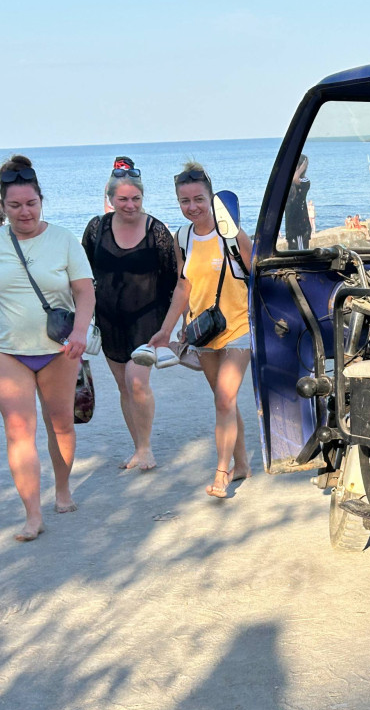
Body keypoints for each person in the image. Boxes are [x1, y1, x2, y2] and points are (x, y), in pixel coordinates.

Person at [0, 155, 95, 541]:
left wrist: (81, 332)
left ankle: (63, 488)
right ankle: (33, 515)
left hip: (60, 349)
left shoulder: (64, 239)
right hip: (8, 352)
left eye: (31, 203)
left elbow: (84, 292)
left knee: (61, 424)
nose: (24, 212)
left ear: (42, 200)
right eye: (15, 205)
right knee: (18, 429)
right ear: (3, 206)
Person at [149, 163, 253, 498]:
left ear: (211, 198)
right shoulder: (183, 237)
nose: (192, 206)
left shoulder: (233, 235)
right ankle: (242, 464)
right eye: (185, 201)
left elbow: (258, 278)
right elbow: (184, 287)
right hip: (203, 331)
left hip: (239, 327)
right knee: (225, 401)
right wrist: (167, 330)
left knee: (224, 398)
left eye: (198, 199)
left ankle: (221, 473)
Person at [82, 165, 178, 471]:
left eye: (136, 198)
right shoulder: (96, 228)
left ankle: (146, 448)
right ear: (110, 199)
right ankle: (138, 447)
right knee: (124, 387)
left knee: (136, 382)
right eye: (123, 199)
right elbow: (82, 273)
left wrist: (169, 327)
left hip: (147, 320)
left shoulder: (157, 231)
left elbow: (174, 280)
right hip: (109, 321)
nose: (130, 205)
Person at [285, 154, 311, 250]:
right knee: (292, 250)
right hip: (291, 223)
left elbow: (295, 178)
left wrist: (301, 168)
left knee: (299, 251)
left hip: (300, 225)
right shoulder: (289, 181)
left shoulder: (305, 181)